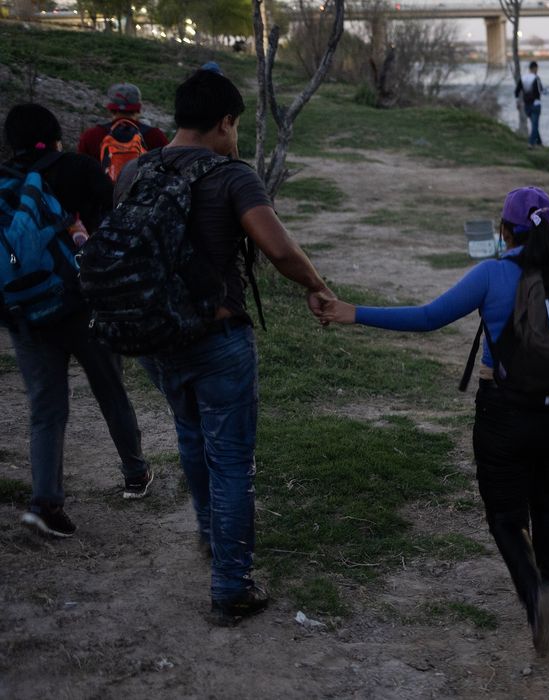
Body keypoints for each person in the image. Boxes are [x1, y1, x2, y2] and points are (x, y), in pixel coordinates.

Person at [318, 186, 549, 655]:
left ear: (505, 231)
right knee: (548, 502)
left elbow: (429, 317)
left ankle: (534, 597)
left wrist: (354, 313)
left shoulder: (492, 274)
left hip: (506, 413)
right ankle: (547, 584)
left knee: (506, 516)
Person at [115, 70, 338, 626]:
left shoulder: (139, 169)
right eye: (235, 128)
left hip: (154, 339)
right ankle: (231, 587)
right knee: (232, 459)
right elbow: (279, 249)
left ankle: (210, 535)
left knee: (191, 437)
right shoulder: (231, 175)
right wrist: (316, 285)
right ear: (225, 122)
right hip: (216, 339)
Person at [1, 103, 152, 538]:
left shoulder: (3, 182)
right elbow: (119, 216)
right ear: (56, 136)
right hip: (83, 305)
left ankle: (45, 503)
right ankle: (135, 473)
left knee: (46, 410)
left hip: (25, 315)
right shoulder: (78, 168)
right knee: (111, 390)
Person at [76, 83, 170, 182]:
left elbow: (80, 172)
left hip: (103, 191)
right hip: (141, 191)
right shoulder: (154, 135)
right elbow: (169, 169)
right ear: (138, 108)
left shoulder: (91, 135)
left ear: (110, 108)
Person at [515, 61, 544, 148]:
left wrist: (518, 102)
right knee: (535, 125)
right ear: (535, 68)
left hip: (526, 105)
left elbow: (516, 91)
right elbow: (541, 91)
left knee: (534, 124)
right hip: (535, 105)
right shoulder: (536, 78)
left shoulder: (523, 78)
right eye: (537, 68)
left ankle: (539, 143)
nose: (537, 70)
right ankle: (531, 143)